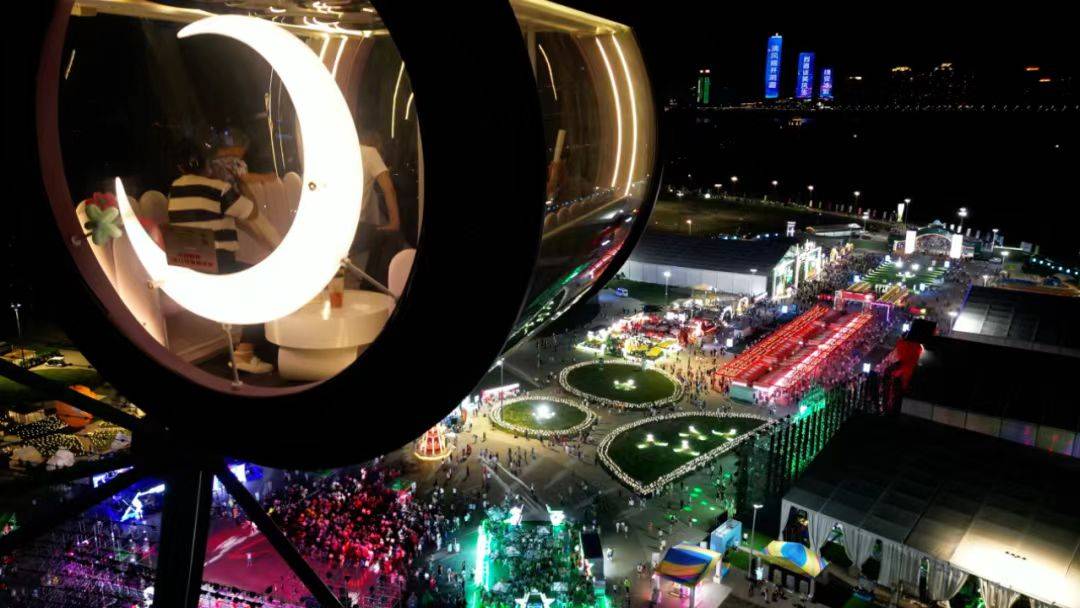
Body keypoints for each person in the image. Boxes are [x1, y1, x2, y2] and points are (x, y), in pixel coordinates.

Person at [167, 139, 280, 373]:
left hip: (186, 266)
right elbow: (252, 212)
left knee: (250, 273)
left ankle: (246, 347)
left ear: (180, 167)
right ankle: (245, 353)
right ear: (208, 164)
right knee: (264, 282)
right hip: (218, 265)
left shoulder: (175, 190)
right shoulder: (218, 189)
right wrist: (241, 184)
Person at [349, 130, 403, 284]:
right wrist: (394, 222)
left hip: (333, 226)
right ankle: (374, 287)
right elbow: (389, 189)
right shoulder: (370, 153)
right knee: (394, 240)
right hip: (354, 228)